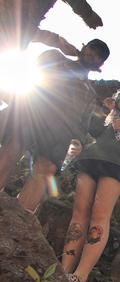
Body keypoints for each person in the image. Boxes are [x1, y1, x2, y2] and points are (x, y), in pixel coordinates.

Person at [0, 38, 110, 212]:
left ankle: (16, 220)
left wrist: (78, 140)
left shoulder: (90, 93)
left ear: (101, 64)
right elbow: (34, 71)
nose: (93, 54)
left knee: (46, 169)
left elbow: (84, 122)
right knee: (13, 147)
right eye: (92, 49)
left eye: (98, 55)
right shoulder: (56, 58)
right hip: (34, 110)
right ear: (83, 47)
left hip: (62, 130)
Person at [61, 90, 120, 282]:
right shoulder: (110, 120)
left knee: (100, 214)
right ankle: (63, 271)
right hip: (91, 159)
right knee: (79, 212)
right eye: (118, 100)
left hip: (116, 165)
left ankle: (81, 275)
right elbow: (93, 129)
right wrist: (106, 108)